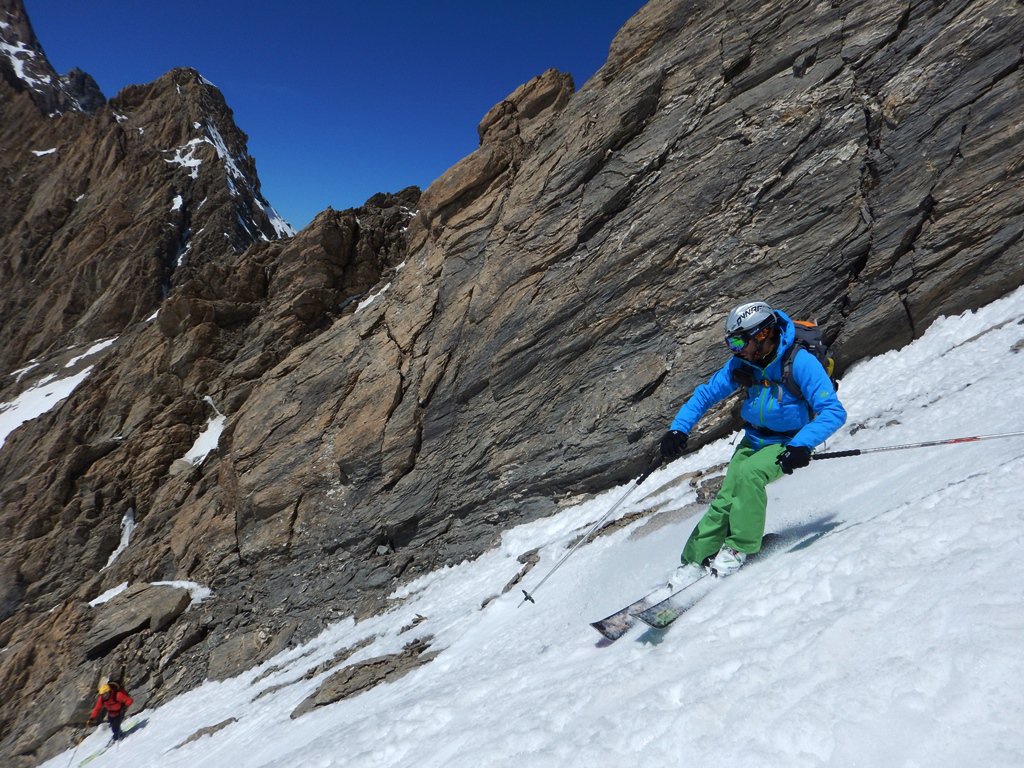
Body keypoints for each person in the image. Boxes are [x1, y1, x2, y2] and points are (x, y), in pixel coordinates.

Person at [660, 301, 846, 579]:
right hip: (755, 438)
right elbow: (705, 395)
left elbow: (833, 411)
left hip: (789, 441)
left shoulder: (799, 362)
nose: (736, 350)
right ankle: (694, 561)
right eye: (731, 343)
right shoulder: (744, 362)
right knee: (726, 497)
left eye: (738, 341)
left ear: (762, 335)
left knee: (749, 475)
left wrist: (801, 445)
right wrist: (678, 429)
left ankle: (738, 548)